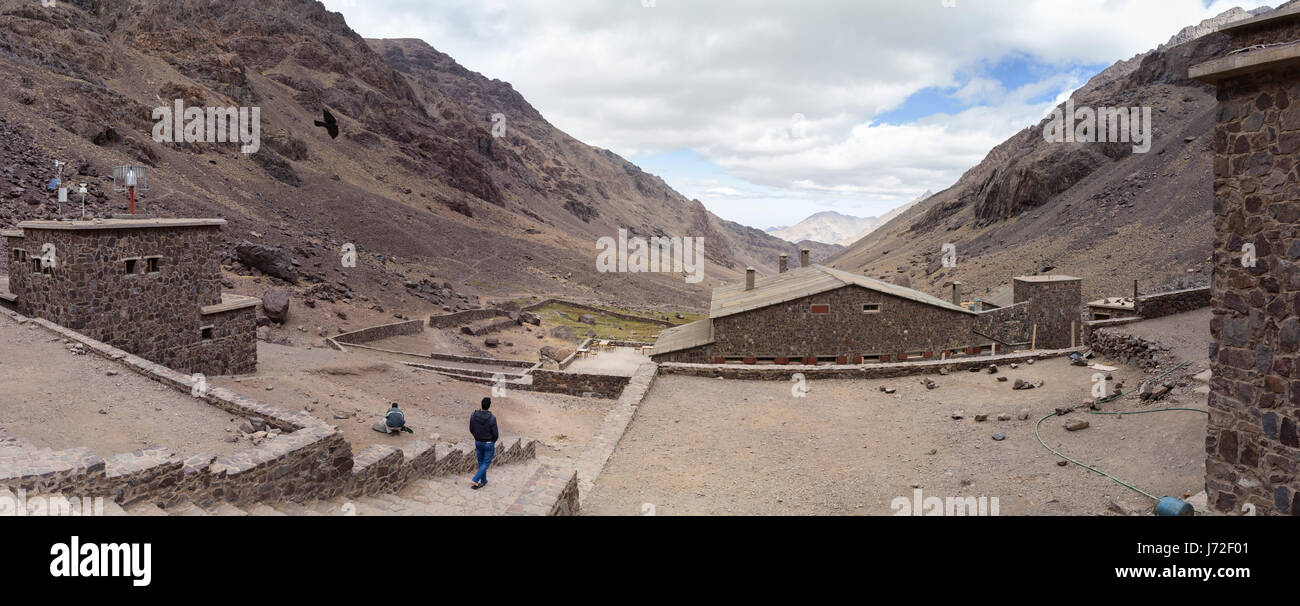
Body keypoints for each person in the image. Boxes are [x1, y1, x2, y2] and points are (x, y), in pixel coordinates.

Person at [469, 397, 499, 489]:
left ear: (481, 404)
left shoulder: (474, 415)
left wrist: (476, 437)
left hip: (478, 442)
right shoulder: (492, 418)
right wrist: (492, 441)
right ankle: (475, 479)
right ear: (489, 406)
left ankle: (484, 481)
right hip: (488, 443)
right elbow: (495, 433)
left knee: (481, 462)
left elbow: (471, 428)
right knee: (486, 463)